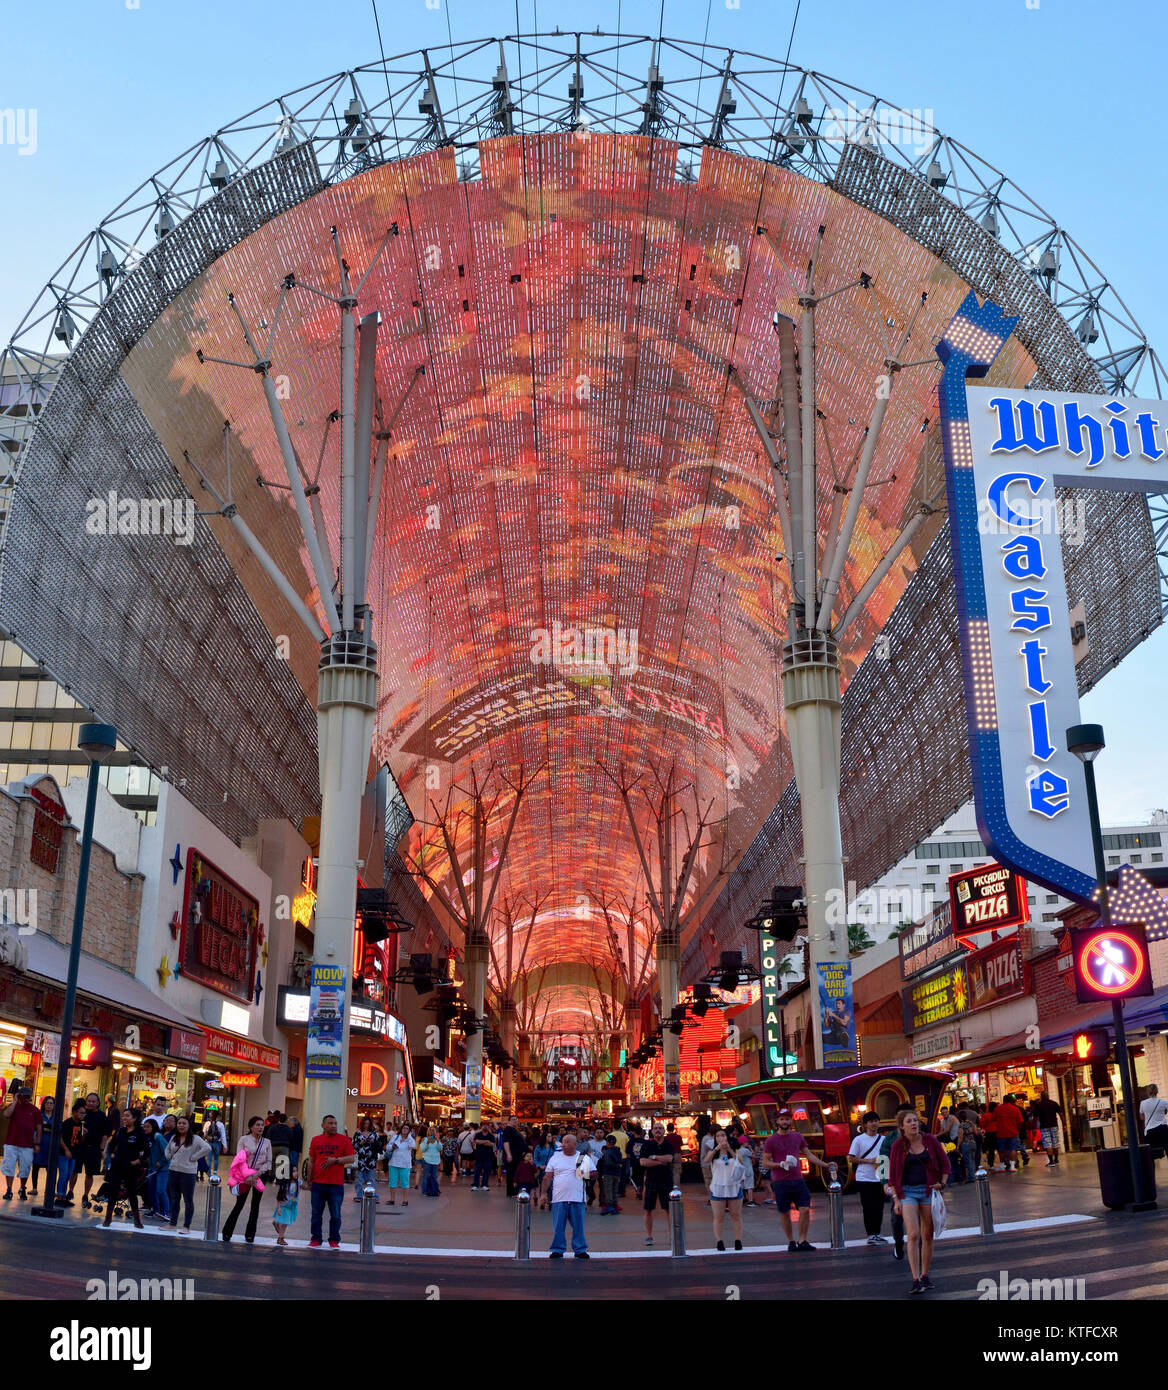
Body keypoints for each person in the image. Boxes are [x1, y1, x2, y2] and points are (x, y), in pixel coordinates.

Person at [889, 1110, 950, 1294]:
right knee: (913, 1234)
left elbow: (945, 1164)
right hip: (907, 1192)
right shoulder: (898, 1146)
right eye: (909, 1121)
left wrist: (943, 1183)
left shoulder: (930, 1140)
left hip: (928, 1190)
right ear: (902, 1126)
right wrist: (896, 1199)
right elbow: (892, 1176)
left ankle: (925, 1275)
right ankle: (915, 1278)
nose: (914, 1124)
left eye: (915, 1120)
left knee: (927, 1234)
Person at [760, 1107, 837, 1251]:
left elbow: (809, 1155)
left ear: (791, 1120)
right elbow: (765, 1162)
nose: (785, 1121)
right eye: (782, 1119)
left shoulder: (797, 1137)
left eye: (787, 1119)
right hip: (780, 1181)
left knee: (805, 1209)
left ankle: (802, 1239)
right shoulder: (771, 1140)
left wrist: (826, 1165)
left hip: (798, 1179)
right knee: (784, 1212)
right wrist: (780, 1164)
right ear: (777, 1121)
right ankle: (791, 1241)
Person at [540, 1131, 593, 1259]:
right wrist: (543, 1194)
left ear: (575, 1144)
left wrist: (583, 1172)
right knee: (558, 1226)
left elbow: (593, 1174)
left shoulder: (582, 1158)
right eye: (563, 1142)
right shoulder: (555, 1157)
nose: (564, 1144)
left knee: (578, 1226)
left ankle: (580, 1249)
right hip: (559, 1198)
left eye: (567, 1142)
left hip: (577, 1198)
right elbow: (547, 1177)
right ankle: (558, 1249)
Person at [306, 1114, 356, 1248]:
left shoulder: (344, 1140)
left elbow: (352, 1158)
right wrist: (308, 1179)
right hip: (318, 1183)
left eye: (335, 1123)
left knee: (335, 1214)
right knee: (316, 1213)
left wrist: (336, 1160)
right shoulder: (315, 1140)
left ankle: (334, 1239)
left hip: (336, 1184)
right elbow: (311, 1160)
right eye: (330, 1123)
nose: (333, 1126)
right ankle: (316, 1238)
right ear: (323, 1125)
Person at [221, 1115, 272, 1244]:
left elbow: (269, 1162)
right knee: (240, 1203)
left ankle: (250, 1234)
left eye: (262, 1125)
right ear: (251, 1127)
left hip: (260, 1175)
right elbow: (240, 1158)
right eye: (257, 1125)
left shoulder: (267, 1142)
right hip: (244, 1175)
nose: (260, 1127)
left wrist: (257, 1174)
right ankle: (227, 1232)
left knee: (255, 1205)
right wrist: (247, 1175)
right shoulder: (244, 1139)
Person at [102, 1109, 148, 1229]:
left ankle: (137, 1220)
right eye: (124, 1115)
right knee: (112, 1192)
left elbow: (146, 1151)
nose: (124, 1118)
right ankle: (108, 1219)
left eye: (127, 1116)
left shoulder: (140, 1133)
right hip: (117, 1166)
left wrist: (137, 1161)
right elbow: (111, 1145)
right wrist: (112, 1155)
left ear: (134, 1118)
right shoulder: (120, 1131)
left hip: (131, 1168)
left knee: (132, 1194)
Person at [164, 1115, 210, 1233]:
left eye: (184, 1123)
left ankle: (186, 1226)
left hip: (188, 1173)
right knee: (174, 1199)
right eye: (179, 1123)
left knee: (188, 1200)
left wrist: (194, 1157)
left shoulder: (195, 1138)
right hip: (173, 1171)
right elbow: (167, 1149)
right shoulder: (174, 1137)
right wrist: (168, 1156)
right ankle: (172, 1224)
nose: (181, 1125)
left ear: (188, 1125)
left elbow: (207, 1148)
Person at [848, 1112, 888, 1244]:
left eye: (876, 1121)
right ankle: (871, 1235)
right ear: (865, 1124)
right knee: (868, 1207)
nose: (874, 1124)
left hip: (880, 1178)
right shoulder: (858, 1140)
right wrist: (868, 1161)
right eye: (871, 1121)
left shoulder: (883, 1139)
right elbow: (851, 1158)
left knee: (879, 1207)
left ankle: (877, 1233)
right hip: (864, 1178)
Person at [69, 1092, 111, 1208]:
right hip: (79, 1147)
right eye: (89, 1101)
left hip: (94, 1148)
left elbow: (105, 1135)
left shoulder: (102, 1117)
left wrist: (101, 1149)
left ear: (98, 1103)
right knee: (74, 1171)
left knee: (89, 1173)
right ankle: (70, 1191)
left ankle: (85, 1195)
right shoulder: (82, 1113)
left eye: (93, 1102)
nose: (91, 1103)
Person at [1, 1085, 41, 1200]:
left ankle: (22, 1188)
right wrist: (14, 1101)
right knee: (9, 1166)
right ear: (20, 1096)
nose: (27, 1099)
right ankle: (9, 1189)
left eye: (29, 1097)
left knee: (25, 1167)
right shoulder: (14, 1107)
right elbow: (6, 1114)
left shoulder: (34, 1110)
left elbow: (38, 1128)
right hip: (12, 1143)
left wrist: (37, 1143)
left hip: (27, 1145)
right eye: (25, 1096)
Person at [638, 1122, 675, 1246]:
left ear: (664, 1130)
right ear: (652, 1131)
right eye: (656, 1128)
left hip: (666, 1181)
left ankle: (672, 1235)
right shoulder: (647, 1145)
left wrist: (653, 1157)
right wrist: (660, 1162)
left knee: (669, 1209)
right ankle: (649, 1236)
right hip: (651, 1181)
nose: (658, 1130)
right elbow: (643, 1162)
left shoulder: (668, 1144)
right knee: (648, 1209)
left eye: (660, 1128)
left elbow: (669, 1159)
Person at [708, 1131, 746, 1251]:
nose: (721, 1138)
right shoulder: (713, 1153)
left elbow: (740, 1162)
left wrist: (729, 1149)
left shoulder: (736, 1151)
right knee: (718, 1217)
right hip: (718, 1187)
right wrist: (716, 1149)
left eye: (723, 1135)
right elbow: (706, 1160)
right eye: (718, 1136)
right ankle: (719, 1241)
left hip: (733, 1186)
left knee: (736, 1215)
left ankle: (738, 1240)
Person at [53, 1099, 85, 1206]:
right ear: (74, 1112)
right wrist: (66, 1150)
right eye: (80, 1113)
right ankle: (60, 1195)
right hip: (64, 1153)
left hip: (74, 1153)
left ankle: (64, 1196)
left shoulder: (81, 1124)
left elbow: (80, 1141)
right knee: (63, 1174)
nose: (82, 1115)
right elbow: (60, 1138)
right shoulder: (67, 1123)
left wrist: (84, 1134)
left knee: (68, 1175)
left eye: (84, 1113)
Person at [30, 1096, 56, 1197]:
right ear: (43, 1104)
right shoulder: (39, 1116)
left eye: (51, 1103)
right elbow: (35, 1129)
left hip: (50, 1145)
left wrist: (46, 1127)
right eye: (47, 1103)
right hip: (40, 1143)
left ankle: (49, 1189)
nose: (49, 1105)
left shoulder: (56, 1117)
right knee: (36, 1166)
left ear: (54, 1105)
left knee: (50, 1168)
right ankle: (34, 1188)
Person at [993, 1093, 1026, 1172]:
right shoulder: (1015, 1109)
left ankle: (1002, 1166)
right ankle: (1012, 1166)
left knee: (1002, 1150)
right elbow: (1020, 1122)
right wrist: (1018, 1129)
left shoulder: (998, 1109)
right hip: (1013, 1132)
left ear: (1003, 1101)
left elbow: (993, 1119)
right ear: (1011, 1100)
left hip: (1001, 1133)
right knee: (1013, 1149)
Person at [384, 1121, 415, 1206]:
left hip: (405, 1164)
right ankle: (392, 1199)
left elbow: (412, 1145)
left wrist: (408, 1137)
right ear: (401, 1129)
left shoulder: (410, 1139)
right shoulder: (395, 1137)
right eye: (404, 1128)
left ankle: (405, 1200)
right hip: (393, 1163)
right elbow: (387, 1147)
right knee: (392, 1182)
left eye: (407, 1128)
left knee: (405, 1182)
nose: (405, 1130)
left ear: (409, 1130)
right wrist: (392, 1146)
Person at [352, 1117, 382, 1201]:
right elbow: (353, 1146)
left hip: (371, 1158)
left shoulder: (374, 1133)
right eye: (365, 1123)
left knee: (371, 1178)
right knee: (359, 1178)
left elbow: (379, 1145)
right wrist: (359, 1143)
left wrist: (373, 1142)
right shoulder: (358, 1133)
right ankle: (359, 1195)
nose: (366, 1125)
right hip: (361, 1158)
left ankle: (373, 1195)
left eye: (368, 1123)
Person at [1034, 1093, 1065, 1167]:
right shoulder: (1054, 1103)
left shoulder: (1039, 1105)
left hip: (1044, 1127)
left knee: (1048, 1144)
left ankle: (1051, 1161)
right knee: (1055, 1142)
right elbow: (1061, 1114)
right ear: (1048, 1096)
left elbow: (1036, 1118)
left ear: (1041, 1097)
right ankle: (1056, 1159)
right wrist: (1064, 1124)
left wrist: (1035, 1128)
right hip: (1054, 1125)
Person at [501, 1115, 528, 1197]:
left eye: (516, 1119)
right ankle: (511, 1192)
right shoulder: (508, 1130)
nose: (515, 1121)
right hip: (512, 1156)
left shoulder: (513, 1130)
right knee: (511, 1174)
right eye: (513, 1119)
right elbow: (506, 1142)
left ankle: (514, 1192)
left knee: (515, 1174)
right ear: (509, 1121)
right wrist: (509, 1154)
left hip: (517, 1156)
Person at [1140, 1083, 1168, 1161]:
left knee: (1149, 1155)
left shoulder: (1143, 1103)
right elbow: (1165, 1112)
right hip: (1163, 1129)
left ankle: (1151, 1171)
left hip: (1150, 1131)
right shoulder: (1163, 1102)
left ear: (1148, 1092)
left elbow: (1142, 1117)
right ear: (1157, 1091)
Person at [597, 1134, 623, 1214]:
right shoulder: (618, 1151)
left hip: (608, 1173)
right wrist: (618, 1165)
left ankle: (609, 1206)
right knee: (615, 1190)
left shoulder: (608, 1152)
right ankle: (615, 1206)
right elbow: (620, 1161)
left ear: (607, 1142)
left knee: (608, 1190)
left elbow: (608, 1163)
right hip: (617, 1173)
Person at [272, 1175, 299, 1246]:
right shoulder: (285, 1184)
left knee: (284, 1223)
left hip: (291, 1206)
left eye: (296, 1171)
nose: (295, 1173)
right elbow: (279, 1196)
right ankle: (280, 1239)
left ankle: (276, 1223)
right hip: (284, 1206)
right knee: (285, 1223)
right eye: (293, 1171)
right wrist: (279, 1207)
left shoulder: (298, 1182)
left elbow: (304, 1187)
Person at [267, 1111, 293, 1181]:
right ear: (286, 1120)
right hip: (284, 1147)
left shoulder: (273, 1127)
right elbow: (291, 1138)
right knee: (281, 1163)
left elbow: (268, 1136)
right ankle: (279, 1178)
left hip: (273, 1147)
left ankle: (271, 1176)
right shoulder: (288, 1128)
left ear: (278, 1119)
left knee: (272, 1162)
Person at [472, 1121, 496, 1192]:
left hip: (488, 1157)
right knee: (477, 1171)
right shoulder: (478, 1134)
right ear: (481, 1126)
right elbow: (476, 1141)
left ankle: (484, 1185)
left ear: (489, 1127)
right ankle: (475, 1185)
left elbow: (491, 1144)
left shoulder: (491, 1136)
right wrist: (486, 1141)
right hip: (478, 1156)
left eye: (486, 1125)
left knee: (487, 1172)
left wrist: (481, 1142)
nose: (485, 1126)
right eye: (483, 1125)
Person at [202, 1111, 227, 1179]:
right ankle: (215, 1172)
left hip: (209, 1142)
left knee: (209, 1159)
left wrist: (205, 1141)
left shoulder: (207, 1123)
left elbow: (204, 1133)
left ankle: (209, 1173)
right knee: (216, 1158)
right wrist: (225, 1146)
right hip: (217, 1143)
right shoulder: (221, 1124)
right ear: (218, 1116)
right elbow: (223, 1136)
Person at [420, 1125, 442, 1196]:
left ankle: (434, 1191)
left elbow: (440, 1149)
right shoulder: (425, 1139)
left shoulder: (437, 1139)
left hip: (435, 1160)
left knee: (434, 1176)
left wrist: (438, 1141)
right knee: (426, 1176)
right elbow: (422, 1149)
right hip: (427, 1160)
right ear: (428, 1132)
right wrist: (427, 1143)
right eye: (430, 1130)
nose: (432, 1131)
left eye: (433, 1130)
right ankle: (425, 1191)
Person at [738, 1136, 759, 1206]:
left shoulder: (738, 1150)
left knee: (742, 1186)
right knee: (749, 1186)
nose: (748, 1143)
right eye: (747, 1142)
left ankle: (742, 1199)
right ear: (744, 1142)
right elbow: (754, 1156)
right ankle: (750, 1200)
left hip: (741, 1171)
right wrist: (751, 1149)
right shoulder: (746, 1150)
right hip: (748, 1170)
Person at [664, 1123, 684, 1190]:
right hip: (677, 1155)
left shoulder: (665, 1138)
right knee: (676, 1173)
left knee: (668, 1171)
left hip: (668, 1155)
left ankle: (668, 1187)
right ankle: (676, 1188)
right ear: (674, 1128)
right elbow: (681, 1144)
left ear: (667, 1129)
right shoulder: (678, 1137)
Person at [699, 1126, 717, 1196]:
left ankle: (711, 1196)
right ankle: (711, 1196)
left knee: (709, 1180)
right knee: (709, 1180)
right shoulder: (708, 1139)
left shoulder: (705, 1138)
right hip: (707, 1163)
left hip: (706, 1163)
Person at [980, 1102, 998, 1171]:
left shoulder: (986, 1115)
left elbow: (982, 1124)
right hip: (998, 1133)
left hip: (989, 1133)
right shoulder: (997, 1114)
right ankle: (1004, 1163)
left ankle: (991, 1165)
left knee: (991, 1150)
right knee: (1000, 1149)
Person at [288, 1116, 304, 1180]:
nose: (289, 1123)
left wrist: (299, 1150)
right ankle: (293, 1178)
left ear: (294, 1122)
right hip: (294, 1149)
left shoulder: (296, 1129)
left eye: (290, 1122)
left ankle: (293, 1179)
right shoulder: (297, 1128)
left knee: (293, 1165)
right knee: (293, 1164)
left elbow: (298, 1140)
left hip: (294, 1149)